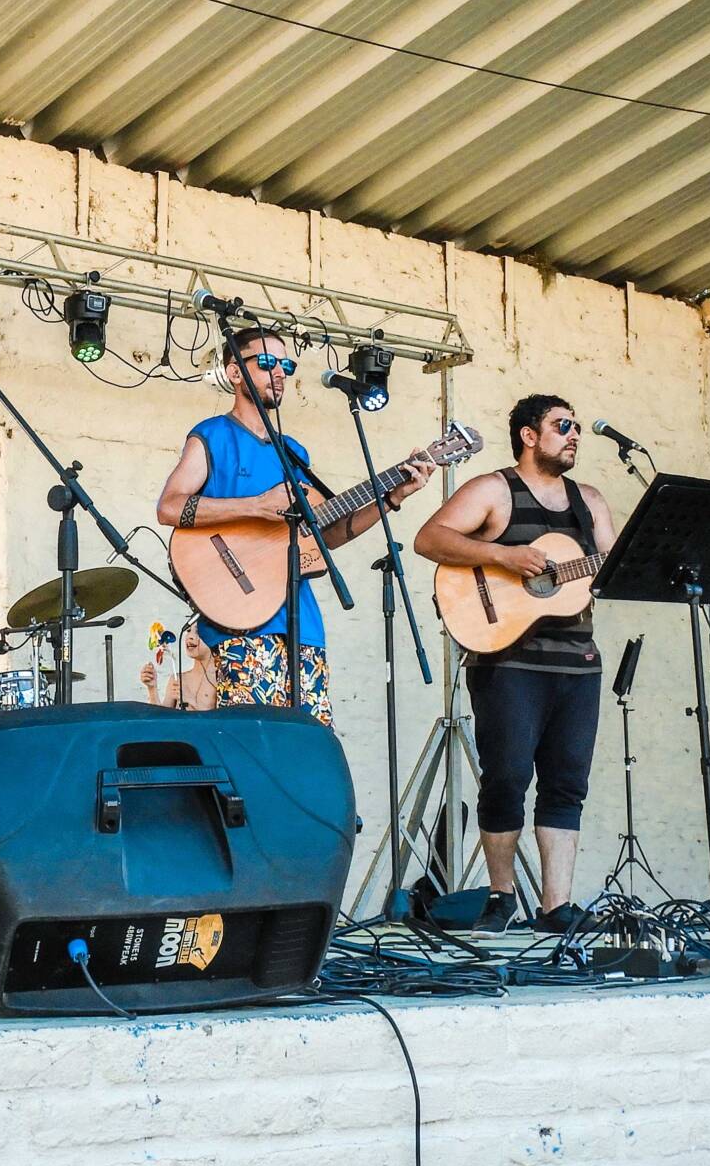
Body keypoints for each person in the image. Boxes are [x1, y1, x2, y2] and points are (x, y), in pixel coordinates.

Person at [154, 324, 435, 728]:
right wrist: (255, 506)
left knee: (308, 748)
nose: (280, 371)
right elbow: (169, 506)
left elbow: (326, 536)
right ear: (235, 373)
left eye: (285, 363)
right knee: (253, 749)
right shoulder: (213, 436)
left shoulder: (294, 453)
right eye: (266, 362)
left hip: (303, 629)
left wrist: (393, 497)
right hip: (239, 625)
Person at [414, 396, 618, 933]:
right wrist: (505, 556)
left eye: (575, 426)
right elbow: (429, 539)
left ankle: (556, 908)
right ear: (529, 436)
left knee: (567, 784)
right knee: (505, 778)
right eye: (562, 425)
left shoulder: (590, 501)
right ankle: (501, 897)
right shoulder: (494, 489)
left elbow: (613, 570)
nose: (574, 434)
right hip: (507, 659)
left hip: (578, 661)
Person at [139, 628, 218, 711]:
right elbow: (161, 718)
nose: (190, 636)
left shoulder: (221, 681)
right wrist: (152, 688)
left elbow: (223, 721)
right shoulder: (177, 680)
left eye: (198, 632)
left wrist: (190, 700)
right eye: (188, 631)